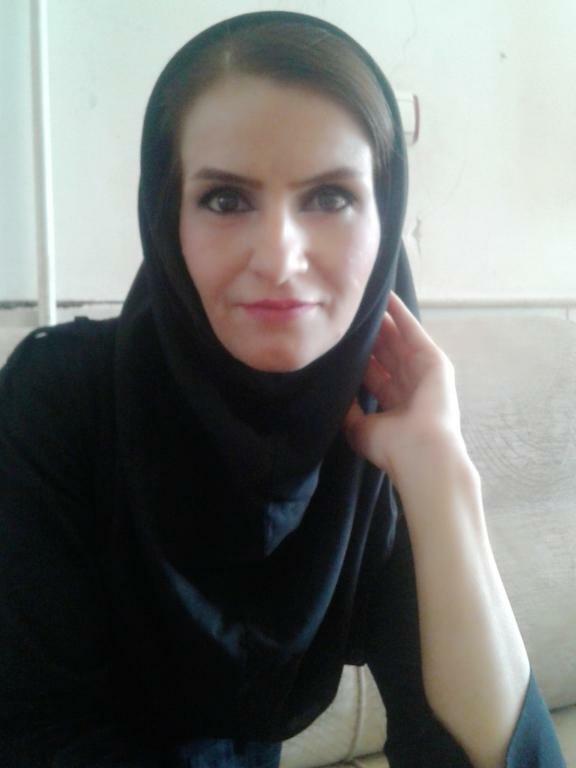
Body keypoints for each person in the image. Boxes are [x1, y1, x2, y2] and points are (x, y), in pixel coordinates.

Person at [0, 10, 566, 768]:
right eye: (226, 199)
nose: (278, 258)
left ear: (385, 221)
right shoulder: (58, 400)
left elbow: (493, 755)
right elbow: (34, 731)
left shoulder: (380, 421)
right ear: (168, 218)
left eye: (330, 197)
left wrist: (441, 471)